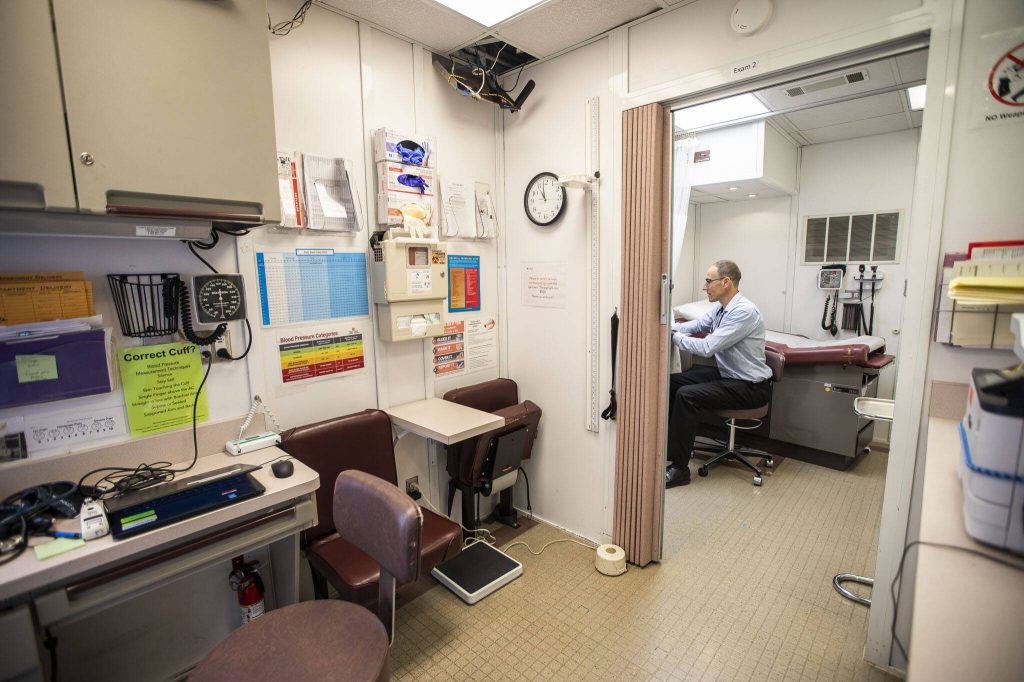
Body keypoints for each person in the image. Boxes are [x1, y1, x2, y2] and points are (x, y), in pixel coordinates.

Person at [665, 260, 772, 488]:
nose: (705, 286)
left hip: (750, 387)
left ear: (726, 282)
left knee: (687, 395)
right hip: (729, 377)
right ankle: (670, 450)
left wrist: (673, 337)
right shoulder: (721, 308)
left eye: (708, 280)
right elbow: (695, 327)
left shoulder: (742, 312)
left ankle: (679, 469)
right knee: (671, 384)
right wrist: (666, 327)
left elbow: (706, 347)